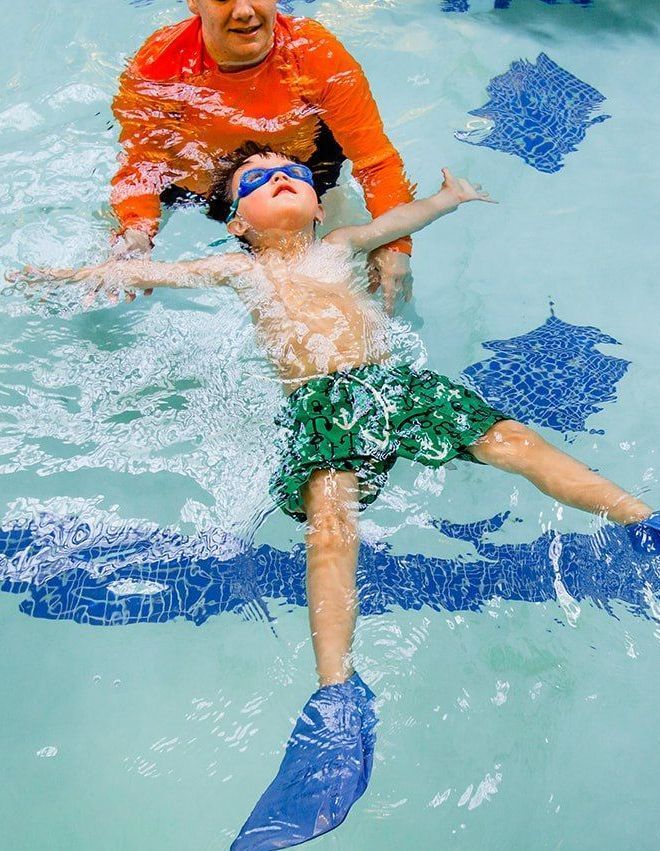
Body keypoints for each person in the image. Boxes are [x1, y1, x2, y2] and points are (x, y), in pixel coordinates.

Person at [9, 143, 660, 849]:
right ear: (236, 221)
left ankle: (642, 523)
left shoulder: (343, 246)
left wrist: (447, 199)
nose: (279, 178)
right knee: (329, 526)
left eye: (291, 173)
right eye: (256, 180)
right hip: (321, 404)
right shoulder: (239, 268)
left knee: (514, 441)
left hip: (397, 383)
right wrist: (67, 275)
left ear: (318, 205)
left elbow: (400, 219)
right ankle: (335, 700)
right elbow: (157, 270)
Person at [111, 0, 414, 311]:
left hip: (304, 179)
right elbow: (141, 165)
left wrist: (396, 244)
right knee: (118, 260)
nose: (244, 11)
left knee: (361, 287)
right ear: (193, 3)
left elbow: (375, 160)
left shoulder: (314, 51)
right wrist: (136, 229)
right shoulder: (159, 63)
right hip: (192, 188)